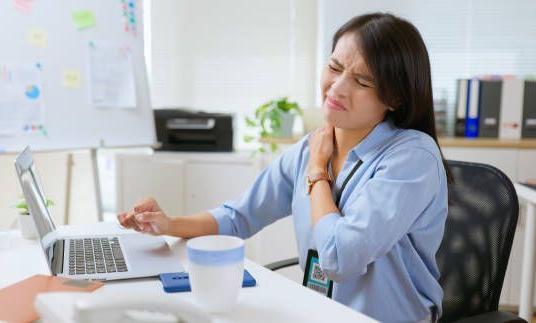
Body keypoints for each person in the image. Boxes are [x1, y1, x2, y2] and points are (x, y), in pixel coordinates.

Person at [118, 12, 451, 323]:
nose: (336, 87)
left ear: (394, 97)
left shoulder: (411, 157)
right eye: (335, 67)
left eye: (362, 81)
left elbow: (339, 258)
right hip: (320, 310)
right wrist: (168, 224)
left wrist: (318, 172)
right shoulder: (312, 146)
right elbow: (238, 216)